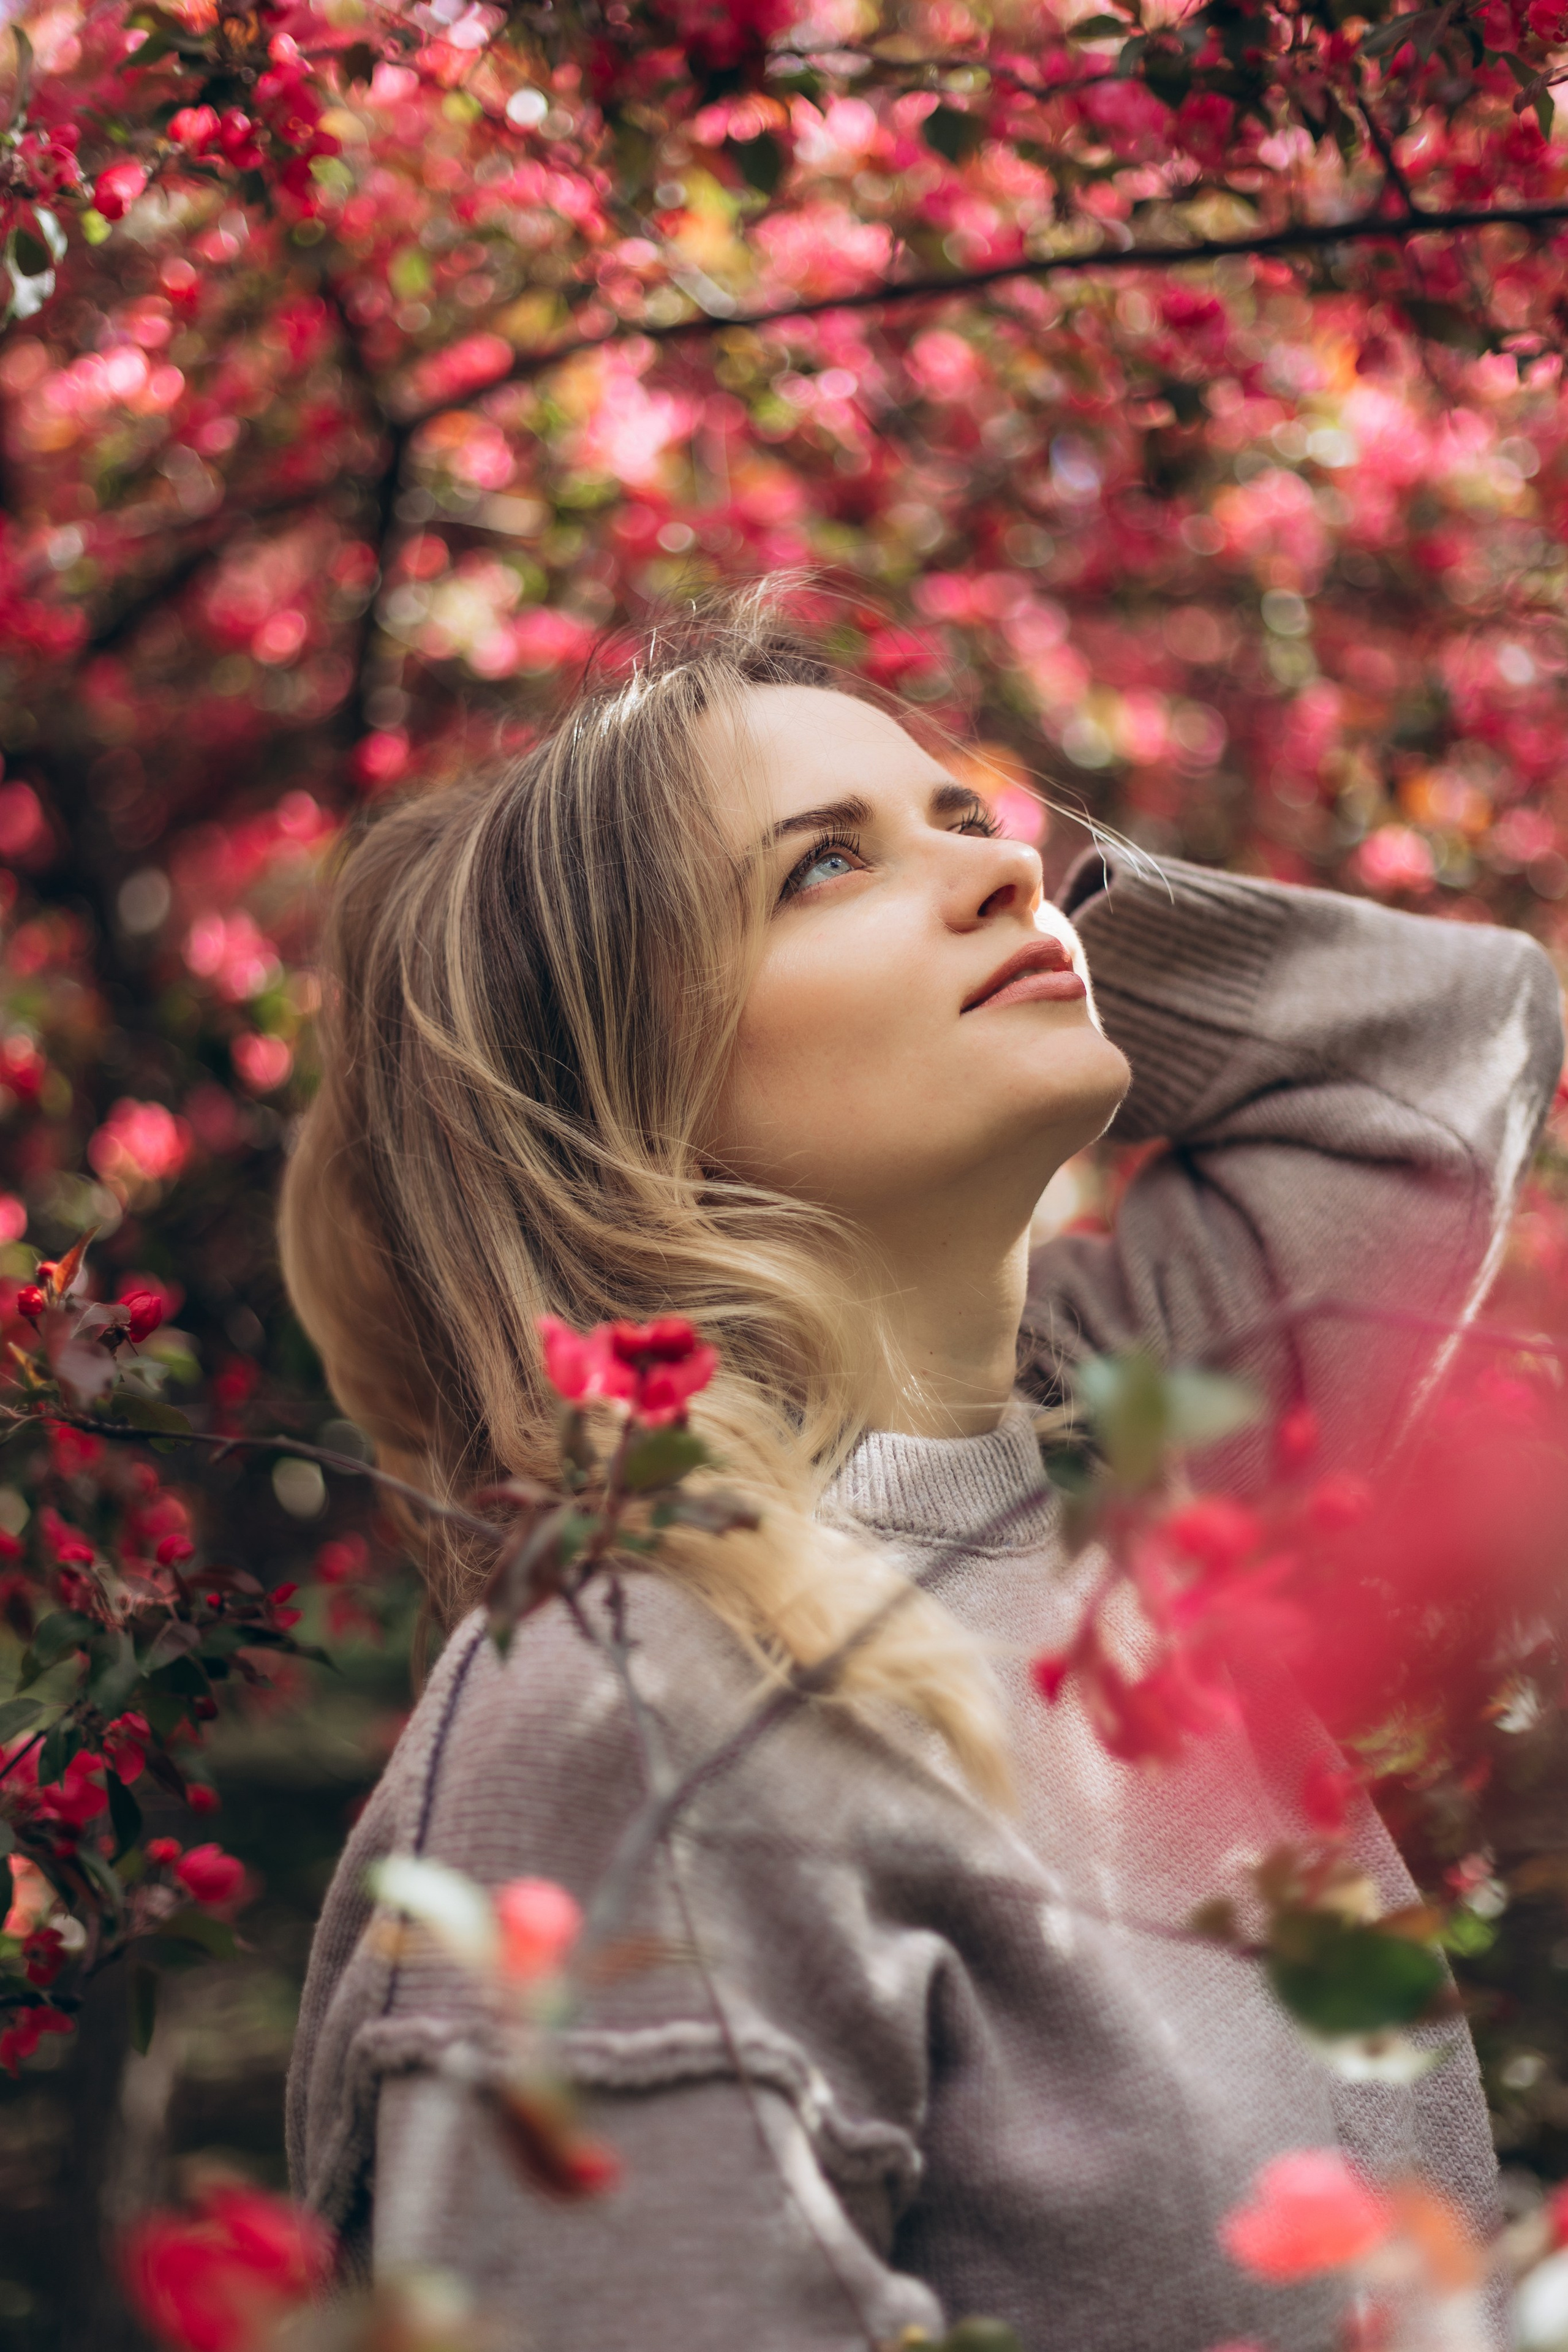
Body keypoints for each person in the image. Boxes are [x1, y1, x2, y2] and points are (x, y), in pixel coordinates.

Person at [282, 587, 1561, 2351]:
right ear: (631, 1092)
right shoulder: (650, 1705)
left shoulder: (1115, 1454)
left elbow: (1444, 1035)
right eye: (822, 868)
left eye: (971, 821)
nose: (1007, 872)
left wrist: (1037, 935)